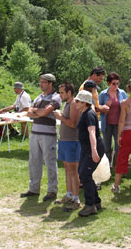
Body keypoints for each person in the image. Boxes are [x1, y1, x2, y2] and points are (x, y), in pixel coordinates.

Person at [21, 74, 61, 202]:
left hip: (48, 134)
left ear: (50, 84)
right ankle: (33, 188)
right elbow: (28, 112)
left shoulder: (56, 97)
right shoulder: (39, 97)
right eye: (40, 82)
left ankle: (52, 190)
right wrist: (40, 112)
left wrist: (37, 112)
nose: (41, 84)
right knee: (34, 161)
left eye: (44, 82)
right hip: (35, 132)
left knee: (50, 162)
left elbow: (44, 112)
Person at [75, 90, 105, 216]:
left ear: (84, 102)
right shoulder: (84, 113)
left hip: (92, 148)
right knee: (84, 174)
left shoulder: (89, 114)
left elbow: (92, 133)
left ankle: (90, 205)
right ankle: (96, 202)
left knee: (84, 175)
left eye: (78, 101)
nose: (76, 103)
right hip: (86, 148)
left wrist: (94, 151)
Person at [53, 82, 81, 211]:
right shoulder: (67, 103)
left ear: (69, 92)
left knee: (73, 170)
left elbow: (73, 123)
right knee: (67, 168)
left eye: (62, 92)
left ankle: (76, 198)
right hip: (64, 140)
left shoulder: (74, 104)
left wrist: (60, 117)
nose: (60, 95)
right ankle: (69, 194)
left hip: (72, 141)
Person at [98, 72, 127, 166]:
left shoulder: (122, 93)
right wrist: (105, 106)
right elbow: (97, 108)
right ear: (108, 83)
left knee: (119, 146)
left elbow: (127, 107)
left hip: (119, 124)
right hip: (106, 124)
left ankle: (119, 168)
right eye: (114, 83)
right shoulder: (103, 94)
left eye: (117, 83)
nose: (116, 85)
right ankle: (107, 168)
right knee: (107, 147)